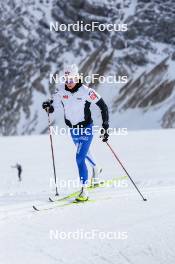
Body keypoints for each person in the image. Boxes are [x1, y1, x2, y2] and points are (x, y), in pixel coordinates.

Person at [42, 64, 109, 201]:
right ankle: (97, 169)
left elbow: (103, 106)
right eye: (66, 80)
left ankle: (84, 191)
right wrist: (48, 107)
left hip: (86, 128)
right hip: (73, 129)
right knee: (84, 153)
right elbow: (52, 106)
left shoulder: (86, 91)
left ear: (77, 78)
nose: (69, 83)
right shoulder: (60, 90)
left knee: (79, 157)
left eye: (71, 80)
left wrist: (105, 126)